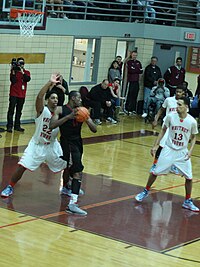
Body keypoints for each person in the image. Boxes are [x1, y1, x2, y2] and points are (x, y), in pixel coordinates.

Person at [1, 73, 67, 198]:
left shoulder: (60, 112)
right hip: (37, 144)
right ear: (48, 100)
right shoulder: (42, 110)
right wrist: (49, 82)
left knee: (67, 164)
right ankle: (10, 186)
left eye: (57, 98)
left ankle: (66, 187)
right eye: (52, 98)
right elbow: (40, 96)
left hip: (52, 146)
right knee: (22, 166)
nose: (55, 100)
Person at [135, 97, 199, 212]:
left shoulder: (192, 121)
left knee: (189, 177)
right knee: (155, 172)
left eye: (180, 105)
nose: (177, 106)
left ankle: (187, 201)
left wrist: (190, 151)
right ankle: (145, 191)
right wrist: (156, 145)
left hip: (182, 152)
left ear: (187, 108)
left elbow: (194, 137)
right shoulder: (170, 117)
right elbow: (163, 130)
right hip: (168, 150)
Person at [49, 91, 97, 216]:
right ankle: (72, 204)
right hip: (67, 142)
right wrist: (68, 117)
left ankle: (66, 187)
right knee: (77, 171)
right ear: (73, 98)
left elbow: (94, 129)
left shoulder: (82, 110)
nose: (80, 100)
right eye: (79, 98)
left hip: (78, 143)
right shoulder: (60, 109)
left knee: (70, 167)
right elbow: (51, 125)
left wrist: (87, 118)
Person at [7, 57, 31, 133]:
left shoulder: (26, 72)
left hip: (22, 95)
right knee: (11, 110)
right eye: (19, 63)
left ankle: (17, 126)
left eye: (22, 63)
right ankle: (9, 126)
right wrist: (13, 70)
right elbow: (13, 81)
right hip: (14, 94)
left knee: (19, 111)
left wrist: (22, 71)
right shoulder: (14, 71)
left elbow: (27, 79)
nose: (21, 64)